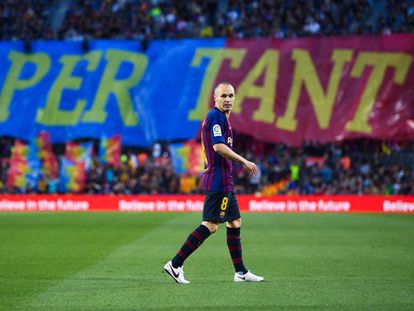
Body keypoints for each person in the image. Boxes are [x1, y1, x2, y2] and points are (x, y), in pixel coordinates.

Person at [163, 82, 264, 284]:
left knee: (235, 221)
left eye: (231, 95)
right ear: (215, 98)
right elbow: (218, 147)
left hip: (226, 181)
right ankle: (175, 264)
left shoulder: (224, 120)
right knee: (210, 225)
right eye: (223, 95)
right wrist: (244, 160)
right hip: (218, 181)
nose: (228, 99)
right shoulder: (215, 117)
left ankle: (240, 272)